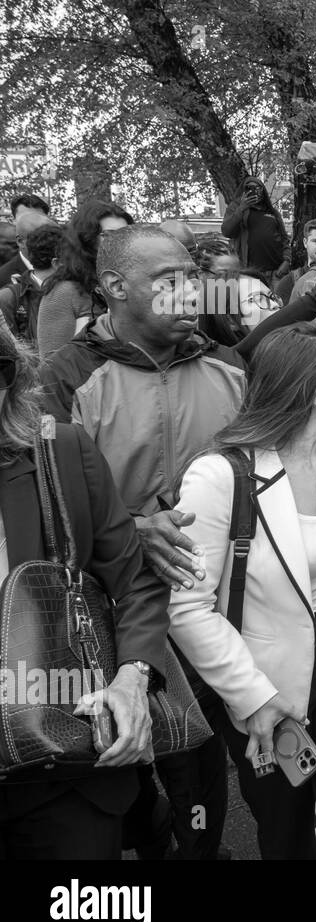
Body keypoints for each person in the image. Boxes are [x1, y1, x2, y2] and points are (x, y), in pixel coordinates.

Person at [41, 225, 316, 858]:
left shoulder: (225, 366)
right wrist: (131, 531)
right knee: (117, 784)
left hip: (220, 614)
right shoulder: (69, 376)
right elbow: (43, 504)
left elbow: (279, 392)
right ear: (114, 287)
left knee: (204, 777)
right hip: (114, 614)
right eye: (169, 282)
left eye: (193, 279)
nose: (191, 294)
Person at [169, 323, 316, 859]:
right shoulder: (221, 475)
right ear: (313, 389)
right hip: (266, 676)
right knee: (283, 828)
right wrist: (253, 697)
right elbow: (188, 607)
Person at [0, 310, 166, 859]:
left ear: (9, 380)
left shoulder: (60, 454)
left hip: (63, 761)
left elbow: (136, 579)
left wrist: (132, 676)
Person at [38, 199, 133, 356]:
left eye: (126, 234)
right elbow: (51, 367)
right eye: (108, 235)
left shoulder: (134, 283)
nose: (120, 241)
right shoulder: (64, 292)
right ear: (86, 240)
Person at [221, 176, 291, 286]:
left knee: (279, 302)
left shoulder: (273, 212)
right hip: (250, 273)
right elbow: (227, 231)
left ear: (263, 191)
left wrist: (287, 261)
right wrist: (242, 208)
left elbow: (284, 239)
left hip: (276, 273)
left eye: (258, 188)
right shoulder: (236, 208)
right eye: (249, 188)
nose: (254, 191)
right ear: (244, 191)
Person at [0, 221, 61, 345]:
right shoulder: (8, 298)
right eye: (70, 258)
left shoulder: (77, 291)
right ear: (57, 263)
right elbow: (10, 355)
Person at [0, 194, 52, 287]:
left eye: (38, 219)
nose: (34, 225)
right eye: (25, 219)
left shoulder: (68, 265)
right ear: (12, 221)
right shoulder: (3, 278)